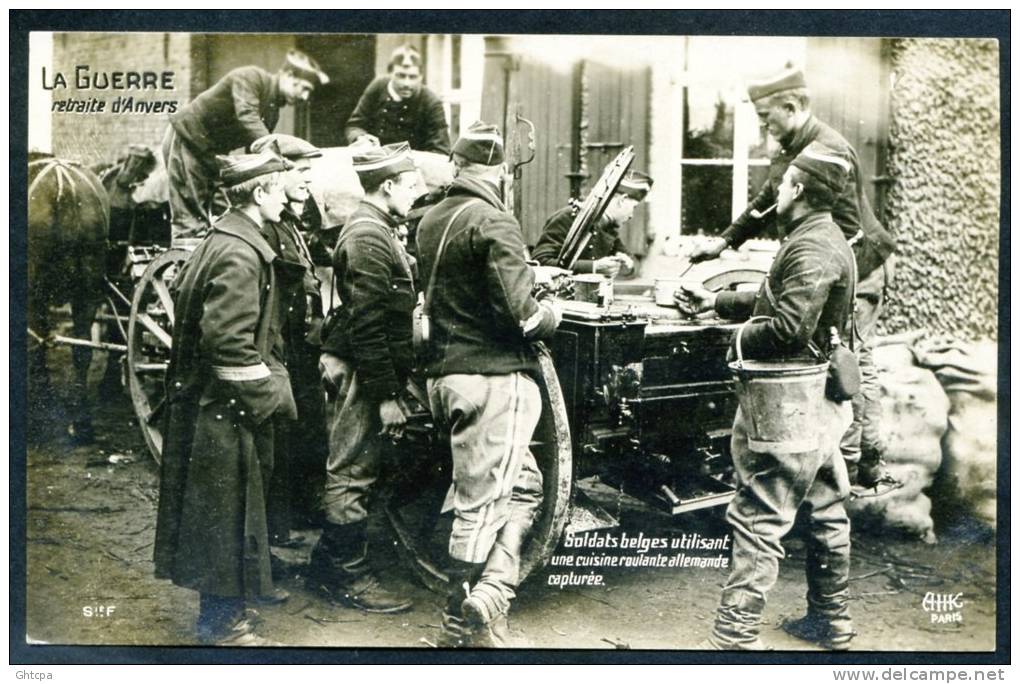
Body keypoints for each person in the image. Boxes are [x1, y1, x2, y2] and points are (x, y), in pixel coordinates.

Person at [676, 142, 858, 651]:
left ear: (797, 190)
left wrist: (731, 339)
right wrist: (715, 301)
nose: (775, 190)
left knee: (760, 513)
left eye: (781, 183)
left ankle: (733, 635)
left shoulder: (811, 245)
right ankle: (831, 621)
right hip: (820, 399)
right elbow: (780, 299)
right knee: (825, 506)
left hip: (789, 400)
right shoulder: (820, 237)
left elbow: (787, 329)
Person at [686, 68, 896, 491]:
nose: (764, 125)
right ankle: (819, 461)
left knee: (853, 361)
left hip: (861, 265)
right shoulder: (790, 148)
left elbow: (849, 238)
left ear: (793, 107)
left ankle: (861, 467)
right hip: (827, 264)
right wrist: (722, 243)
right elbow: (766, 200)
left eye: (767, 116)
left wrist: (815, 288)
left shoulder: (830, 150)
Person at [415, 121, 561, 648]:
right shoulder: (495, 220)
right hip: (493, 379)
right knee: (480, 508)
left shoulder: (431, 218)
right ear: (500, 172)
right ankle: (455, 629)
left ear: (456, 165)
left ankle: (491, 598)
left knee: (521, 486)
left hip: (445, 377)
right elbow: (522, 318)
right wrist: (552, 311)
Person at [153, 149, 303, 646]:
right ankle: (222, 626)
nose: (286, 198)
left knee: (224, 516)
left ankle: (227, 616)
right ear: (260, 194)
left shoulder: (225, 239)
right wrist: (274, 396)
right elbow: (228, 345)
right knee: (226, 518)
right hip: (226, 410)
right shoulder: (240, 254)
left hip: (214, 405)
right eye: (281, 189)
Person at [305, 142, 423, 614]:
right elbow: (368, 326)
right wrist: (388, 396)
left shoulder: (376, 227)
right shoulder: (369, 237)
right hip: (365, 369)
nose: (417, 195)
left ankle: (325, 564)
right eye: (412, 187)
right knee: (351, 469)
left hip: (367, 366)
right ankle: (348, 579)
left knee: (356, 465)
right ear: (388, 186)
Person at [249, 134, 329, 546]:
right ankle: (277, 530)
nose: (306, 182)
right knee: (284, 436)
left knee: (308, 428)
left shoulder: (292, 222)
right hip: (286, 348)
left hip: (304, 346)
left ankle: (298, 511)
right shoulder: (271, 229)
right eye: (300, 173)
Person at [162, 50, 329, 243]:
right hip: (187, 137)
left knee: (224, 209)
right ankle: (188, 260)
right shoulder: (251, 77)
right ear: (288, 75)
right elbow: (247, 115)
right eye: (303, 88)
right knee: (190, 213)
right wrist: (278, 158)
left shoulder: (273, 111)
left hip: (212, 153)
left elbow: (257, 153)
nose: (305, 96)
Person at [531, 170, 653, 278]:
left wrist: (626, 264)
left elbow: (633, 263)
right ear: (622, 200)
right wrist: (594, 267)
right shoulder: (568, 218)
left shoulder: (609, 227)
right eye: (634, 207)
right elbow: (540, 261)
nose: (631, 215)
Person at [344, 45, 451, 155]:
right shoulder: (378, 87)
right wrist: (361, 138)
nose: (406, 83)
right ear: (390, 73)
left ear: (421, 76)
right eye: (401, 76)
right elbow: (354, 125)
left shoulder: (431, 102)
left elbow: (440, 151)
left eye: (413, 77)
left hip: (414, 167)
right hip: (375, 160)